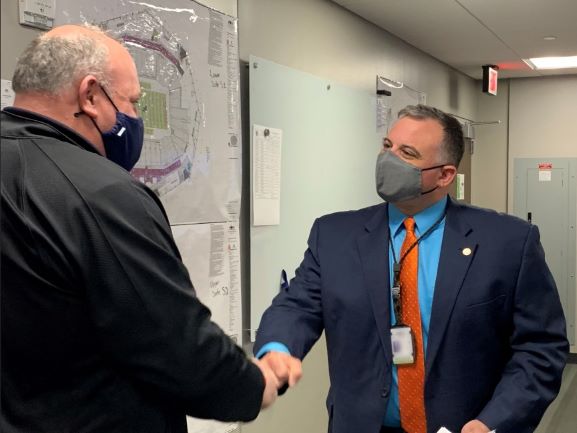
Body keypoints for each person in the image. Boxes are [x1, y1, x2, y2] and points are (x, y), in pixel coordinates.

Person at [1, 25, 280, 433]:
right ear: (91, 96)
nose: (135, 116)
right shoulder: (103, 195)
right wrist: (256, 385)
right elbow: (178, 347)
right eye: (132, 101)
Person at [254, 104, 569, 433]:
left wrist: (494, 423)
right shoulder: (333, 236)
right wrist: (277, 348)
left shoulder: (508, 243)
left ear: (445, 175)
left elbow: (540, 348)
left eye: (407, 153)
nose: (389, 159)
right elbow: (296, 305)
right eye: (387, 146)